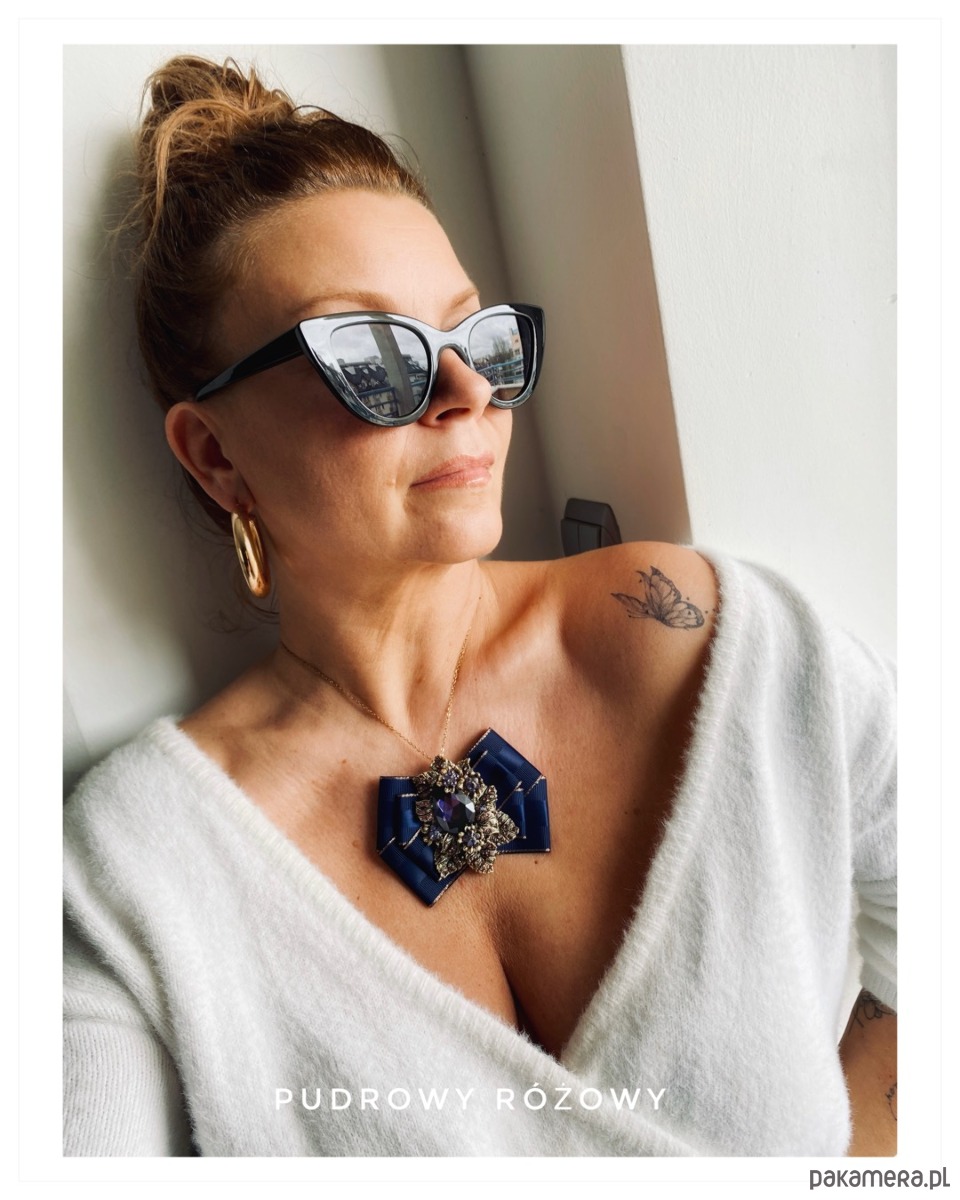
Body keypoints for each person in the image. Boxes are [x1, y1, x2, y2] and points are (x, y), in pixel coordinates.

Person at [63, 55, 897, 1158]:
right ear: (216, 454)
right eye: (371, 357)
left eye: (475, 338)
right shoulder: (143, 868)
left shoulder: (713, 649)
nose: (468, 394)